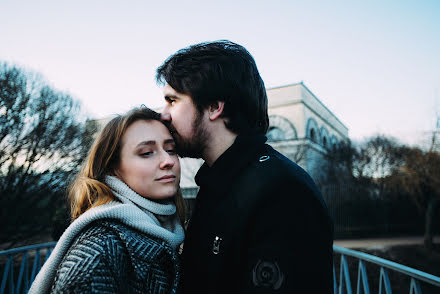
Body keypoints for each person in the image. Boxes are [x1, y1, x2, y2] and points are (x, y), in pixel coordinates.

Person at [156, 40, 334, 293]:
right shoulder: (218, 182)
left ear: (215, 107)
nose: (164, 114)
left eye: (172, 101)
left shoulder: (282, 192)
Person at [29, 107, 185, 294]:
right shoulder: (100, 250)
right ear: (113, 168)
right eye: (146, 153)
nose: (168, 160)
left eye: (171, 149)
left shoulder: (173, 230)